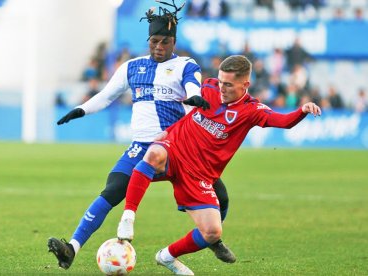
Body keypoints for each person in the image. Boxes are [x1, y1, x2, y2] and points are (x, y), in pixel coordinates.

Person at [47, 0, 233, 269]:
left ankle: (213, 240)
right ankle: (71, 249)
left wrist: (194, 96)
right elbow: (106, 95)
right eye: (155, 41)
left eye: (165, 42)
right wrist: (80, 109)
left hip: (179, 147)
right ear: (148, 40)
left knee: (221, 194)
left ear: (173, 42)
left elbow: (193, 84)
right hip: (142, 146)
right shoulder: (131, 67)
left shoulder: (184, 64)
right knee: (111, 191)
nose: (159, 47)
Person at [117, 55, 322, 275]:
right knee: (153, 154)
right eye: (220, 81)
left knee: (212, 232)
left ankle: (166, 256)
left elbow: (283, 121)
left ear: (245, 84)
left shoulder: (251, 110)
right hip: (175, 149)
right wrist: (168, 131)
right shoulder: (208, 87)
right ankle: (128, 218)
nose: (221, 88)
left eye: (228, 84)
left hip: (199, 175)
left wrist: (302, 110)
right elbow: (191, 107)